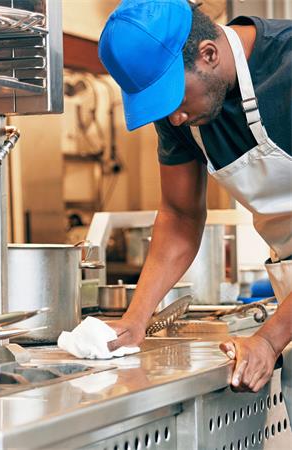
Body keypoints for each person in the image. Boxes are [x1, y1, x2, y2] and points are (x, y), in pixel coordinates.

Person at [98, 0, 292, 401]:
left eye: (174, 99)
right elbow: (180, 216)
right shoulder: (180, 114)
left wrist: (269, 340)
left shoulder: (286, 65)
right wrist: (136, 319)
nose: (173, 119)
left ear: (209, 54)